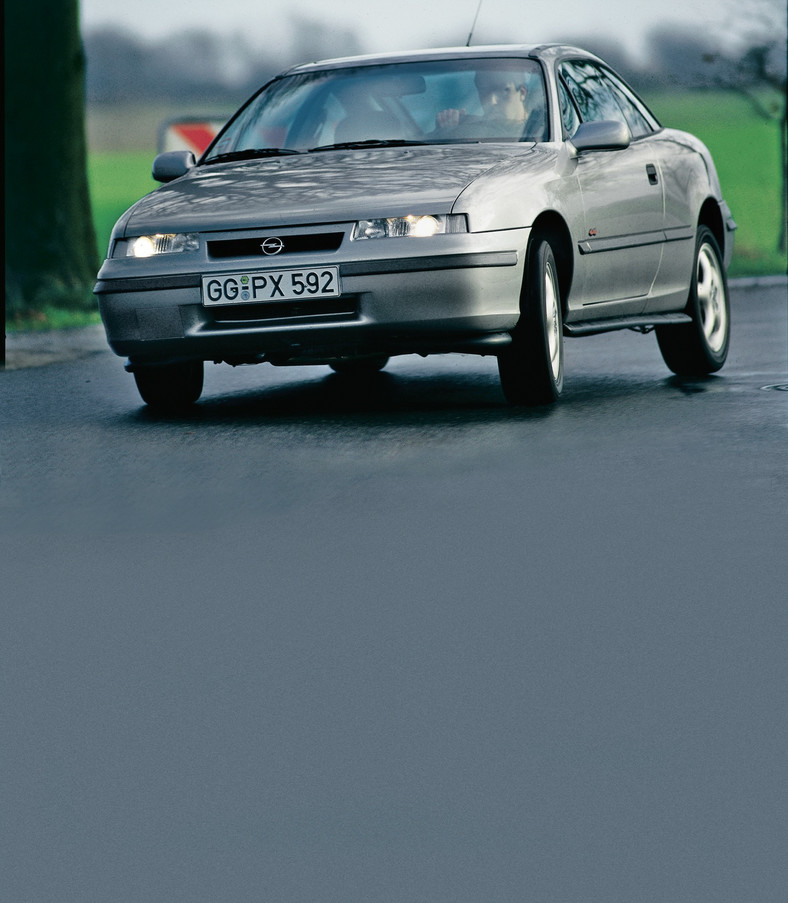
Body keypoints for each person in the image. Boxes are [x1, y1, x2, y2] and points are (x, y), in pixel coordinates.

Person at [436, 70, 530, 139]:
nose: (492, 101)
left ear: (522, 92)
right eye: (485, 92)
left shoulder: (539, 130)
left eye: (503, 90)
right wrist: (447, 131)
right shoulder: (469, 130)